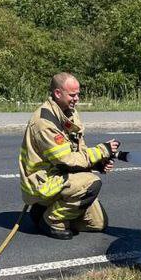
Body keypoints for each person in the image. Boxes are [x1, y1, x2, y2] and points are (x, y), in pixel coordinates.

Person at [18, 72, 118, 239]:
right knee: (91, 182)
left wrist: (96, 164)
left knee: (97, 224)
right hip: (42, 182)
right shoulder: (44, 122)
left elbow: (78, 149)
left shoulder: (69, 112)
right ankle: (50, 219)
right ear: (58, 93)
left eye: (78, 94)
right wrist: (102, 151)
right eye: (72, 95)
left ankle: (45, 210)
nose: (77, 98)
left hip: (60, 174)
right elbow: (67, 159)